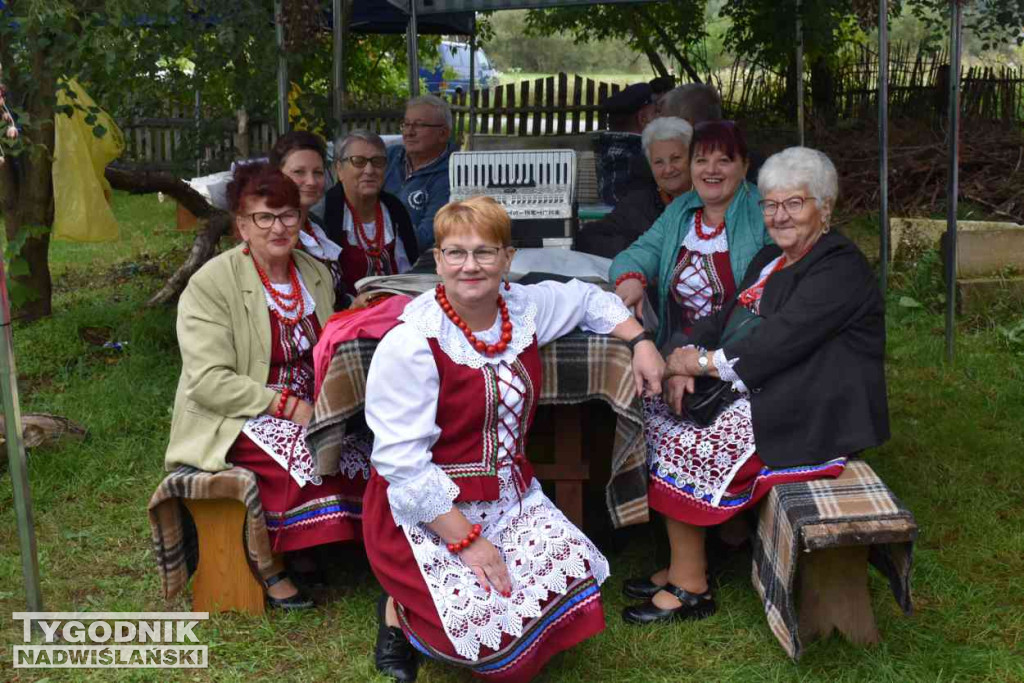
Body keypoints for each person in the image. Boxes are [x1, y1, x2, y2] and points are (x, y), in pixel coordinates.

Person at [362, 196, 665, 682]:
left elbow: (590, 298)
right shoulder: (413, 343)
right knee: (492, 646)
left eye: (485, 252)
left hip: (508, 496)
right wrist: (468, 544)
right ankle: (397, 613)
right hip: (430, 511)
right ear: (437, 261)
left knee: (567, 579)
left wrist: (640, 340)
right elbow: (403, 469)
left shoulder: (521, 310)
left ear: (508, 258)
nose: (470, 265)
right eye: (455, 253)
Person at [620, 147, 889, 625]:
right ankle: (701, 552)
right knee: (655, 412)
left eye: (794, 204)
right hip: (764, 385)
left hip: (812, 402)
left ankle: (691, 586)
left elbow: (778, 344)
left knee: (690, 440)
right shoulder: (772, 258)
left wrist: (699, 363)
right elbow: (723, 319)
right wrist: (680, 361)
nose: (778, 216)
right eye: (770, 204)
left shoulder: (838, 267)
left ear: (824, 207)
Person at [164, 164, 363, 610]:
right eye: (264, 217)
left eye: (289, 216)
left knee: (358, 455)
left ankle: (309, 548)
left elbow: (329, 348)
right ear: (241, 225)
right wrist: (288, 406)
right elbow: (208, 381)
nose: (278, 227)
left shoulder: (314, 272)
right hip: (237, 414)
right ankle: (268, 561)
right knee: (306, 458)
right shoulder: (211, 284)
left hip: (312, 407)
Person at [609, 121, 772, 349]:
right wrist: (630, 278)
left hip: (740, 348)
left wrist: (698, 361)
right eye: (701, 160)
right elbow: (641, 251)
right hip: (677, 344)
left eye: (723, 161)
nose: (710, 170)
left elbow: (768, 300)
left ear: (744, 167)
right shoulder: (681, 209)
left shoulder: (765, 212)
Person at [323, 129, 420, 301]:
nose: (369, 170)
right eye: (358, 161)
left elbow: (410, 268)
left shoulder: (395, 209)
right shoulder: (325, 213)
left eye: (377, 162)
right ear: (339, 169)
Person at [577, 116, 694, 259]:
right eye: (659, 162)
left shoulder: (711, 198)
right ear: (649, 165)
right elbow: (588, 238)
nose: (668, 169)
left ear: (692, 157)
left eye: (676, 158)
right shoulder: (638, 203)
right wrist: (641, 250)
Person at [270, 130, 347, 306]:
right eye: (299, 172)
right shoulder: (273, 233)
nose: (311, 181)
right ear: (276, 175)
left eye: (318, 172)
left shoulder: (316, 225)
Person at [384, 95, 457, 247]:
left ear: (443, 134)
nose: (409, 132)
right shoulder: (387, 157)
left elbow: (427, 237)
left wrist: (375, 235)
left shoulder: (452, 174)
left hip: (418, 265)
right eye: (406, 124)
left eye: (419, 125)